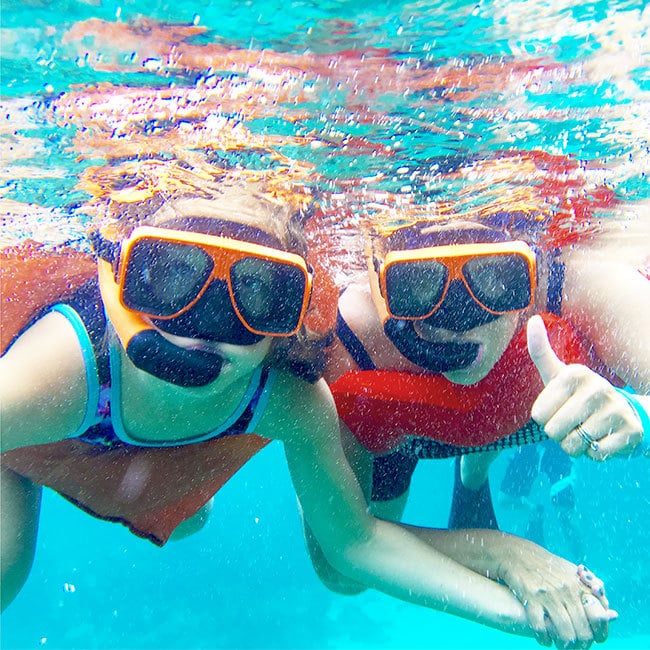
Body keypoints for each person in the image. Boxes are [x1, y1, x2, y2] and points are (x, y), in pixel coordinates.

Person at [0, 162, 616, 648]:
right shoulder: (61, 368)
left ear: (289, 322)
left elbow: (353, 545)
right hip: (29, 443)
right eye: (169, 277)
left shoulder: (292, 400)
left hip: (153, 462)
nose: (206, 326)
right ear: (121, 276)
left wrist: (522, 619)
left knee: (185, 518)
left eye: (259, 293)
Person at [303, 211, 647, 604]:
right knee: (349, 583)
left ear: (532, 267)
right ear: (382, 283)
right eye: (418, 283)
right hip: (400, 431)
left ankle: (474, 468)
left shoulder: (582, 282)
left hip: (520, 406)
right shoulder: (347, 344)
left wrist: (640, 415)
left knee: (508, 390)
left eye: (497, 278)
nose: (459, 320)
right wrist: (498, 552)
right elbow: (340, 560)